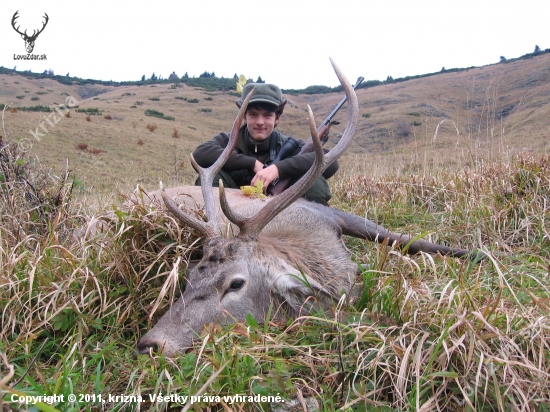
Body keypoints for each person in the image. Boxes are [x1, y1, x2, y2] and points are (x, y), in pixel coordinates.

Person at [192, 83, 338, 206]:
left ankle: (309, 234)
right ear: (244, 116)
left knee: (315, 182)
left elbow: (330, 161)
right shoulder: (228, 140)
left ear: (277, 118)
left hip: (281, 215)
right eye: (253, 114)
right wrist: (251, 163)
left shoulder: (289, 145)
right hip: (233, 210)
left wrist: (278, 169)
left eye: (267, 115)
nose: (260, 122)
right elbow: (200, 154)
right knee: (210, 176)